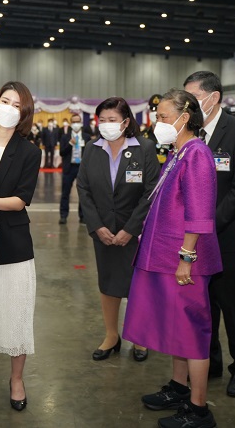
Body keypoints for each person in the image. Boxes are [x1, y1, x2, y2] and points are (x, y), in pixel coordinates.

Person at [126, 90, 221, 428]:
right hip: (165, 256)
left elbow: (199, 213)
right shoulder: (179, 152)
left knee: (192, 333)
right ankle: (180, 388)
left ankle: (198, 409)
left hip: (183, 261)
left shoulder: (197, 154)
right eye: (157, 116)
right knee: (177, 329)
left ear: (185, 117)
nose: (158, 123)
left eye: (164, 117)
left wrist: (187, 257)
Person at [183, 71, 235, 397]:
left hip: (228, 237)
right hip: (195, 240)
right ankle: (210, 361)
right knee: (204, 305)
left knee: (234, 306)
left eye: (193, 97)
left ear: (213, 98)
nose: (188, 104)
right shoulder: (190, 133)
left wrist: (208, 224)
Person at [77, 97, 160, 363]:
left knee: (138, 286)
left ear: (125, 122)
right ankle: (111, 336)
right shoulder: (92, 149)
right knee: (108, 283)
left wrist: (131, 229)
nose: (106, 125)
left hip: (136, 232)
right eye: (102, 120)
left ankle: (140, 336)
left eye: (112, 120)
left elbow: (151, 192)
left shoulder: (144, 148)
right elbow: (83, 188)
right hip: (104, 232)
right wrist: (96, 226)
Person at [0, 81, 41, 412]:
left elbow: (21, 200)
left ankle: (17, 379)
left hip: (14, 244)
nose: (9, 108)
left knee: (17, 315)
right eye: (5, 101)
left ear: (24, 113)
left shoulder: (30, 152)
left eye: (17, 105)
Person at [58, 112, 91, 224]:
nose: (76, 124)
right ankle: (63, 215)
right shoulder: (65, 137)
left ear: (81, 123)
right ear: (71, 123)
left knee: (83, 193)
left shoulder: (86, 137)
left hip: (82, 168)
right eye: (74, 122)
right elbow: (62, 153)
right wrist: (70, 144)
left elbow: (90, 153)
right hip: (69, 168)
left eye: (78, 121)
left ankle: (83, 216)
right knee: (65, 193)